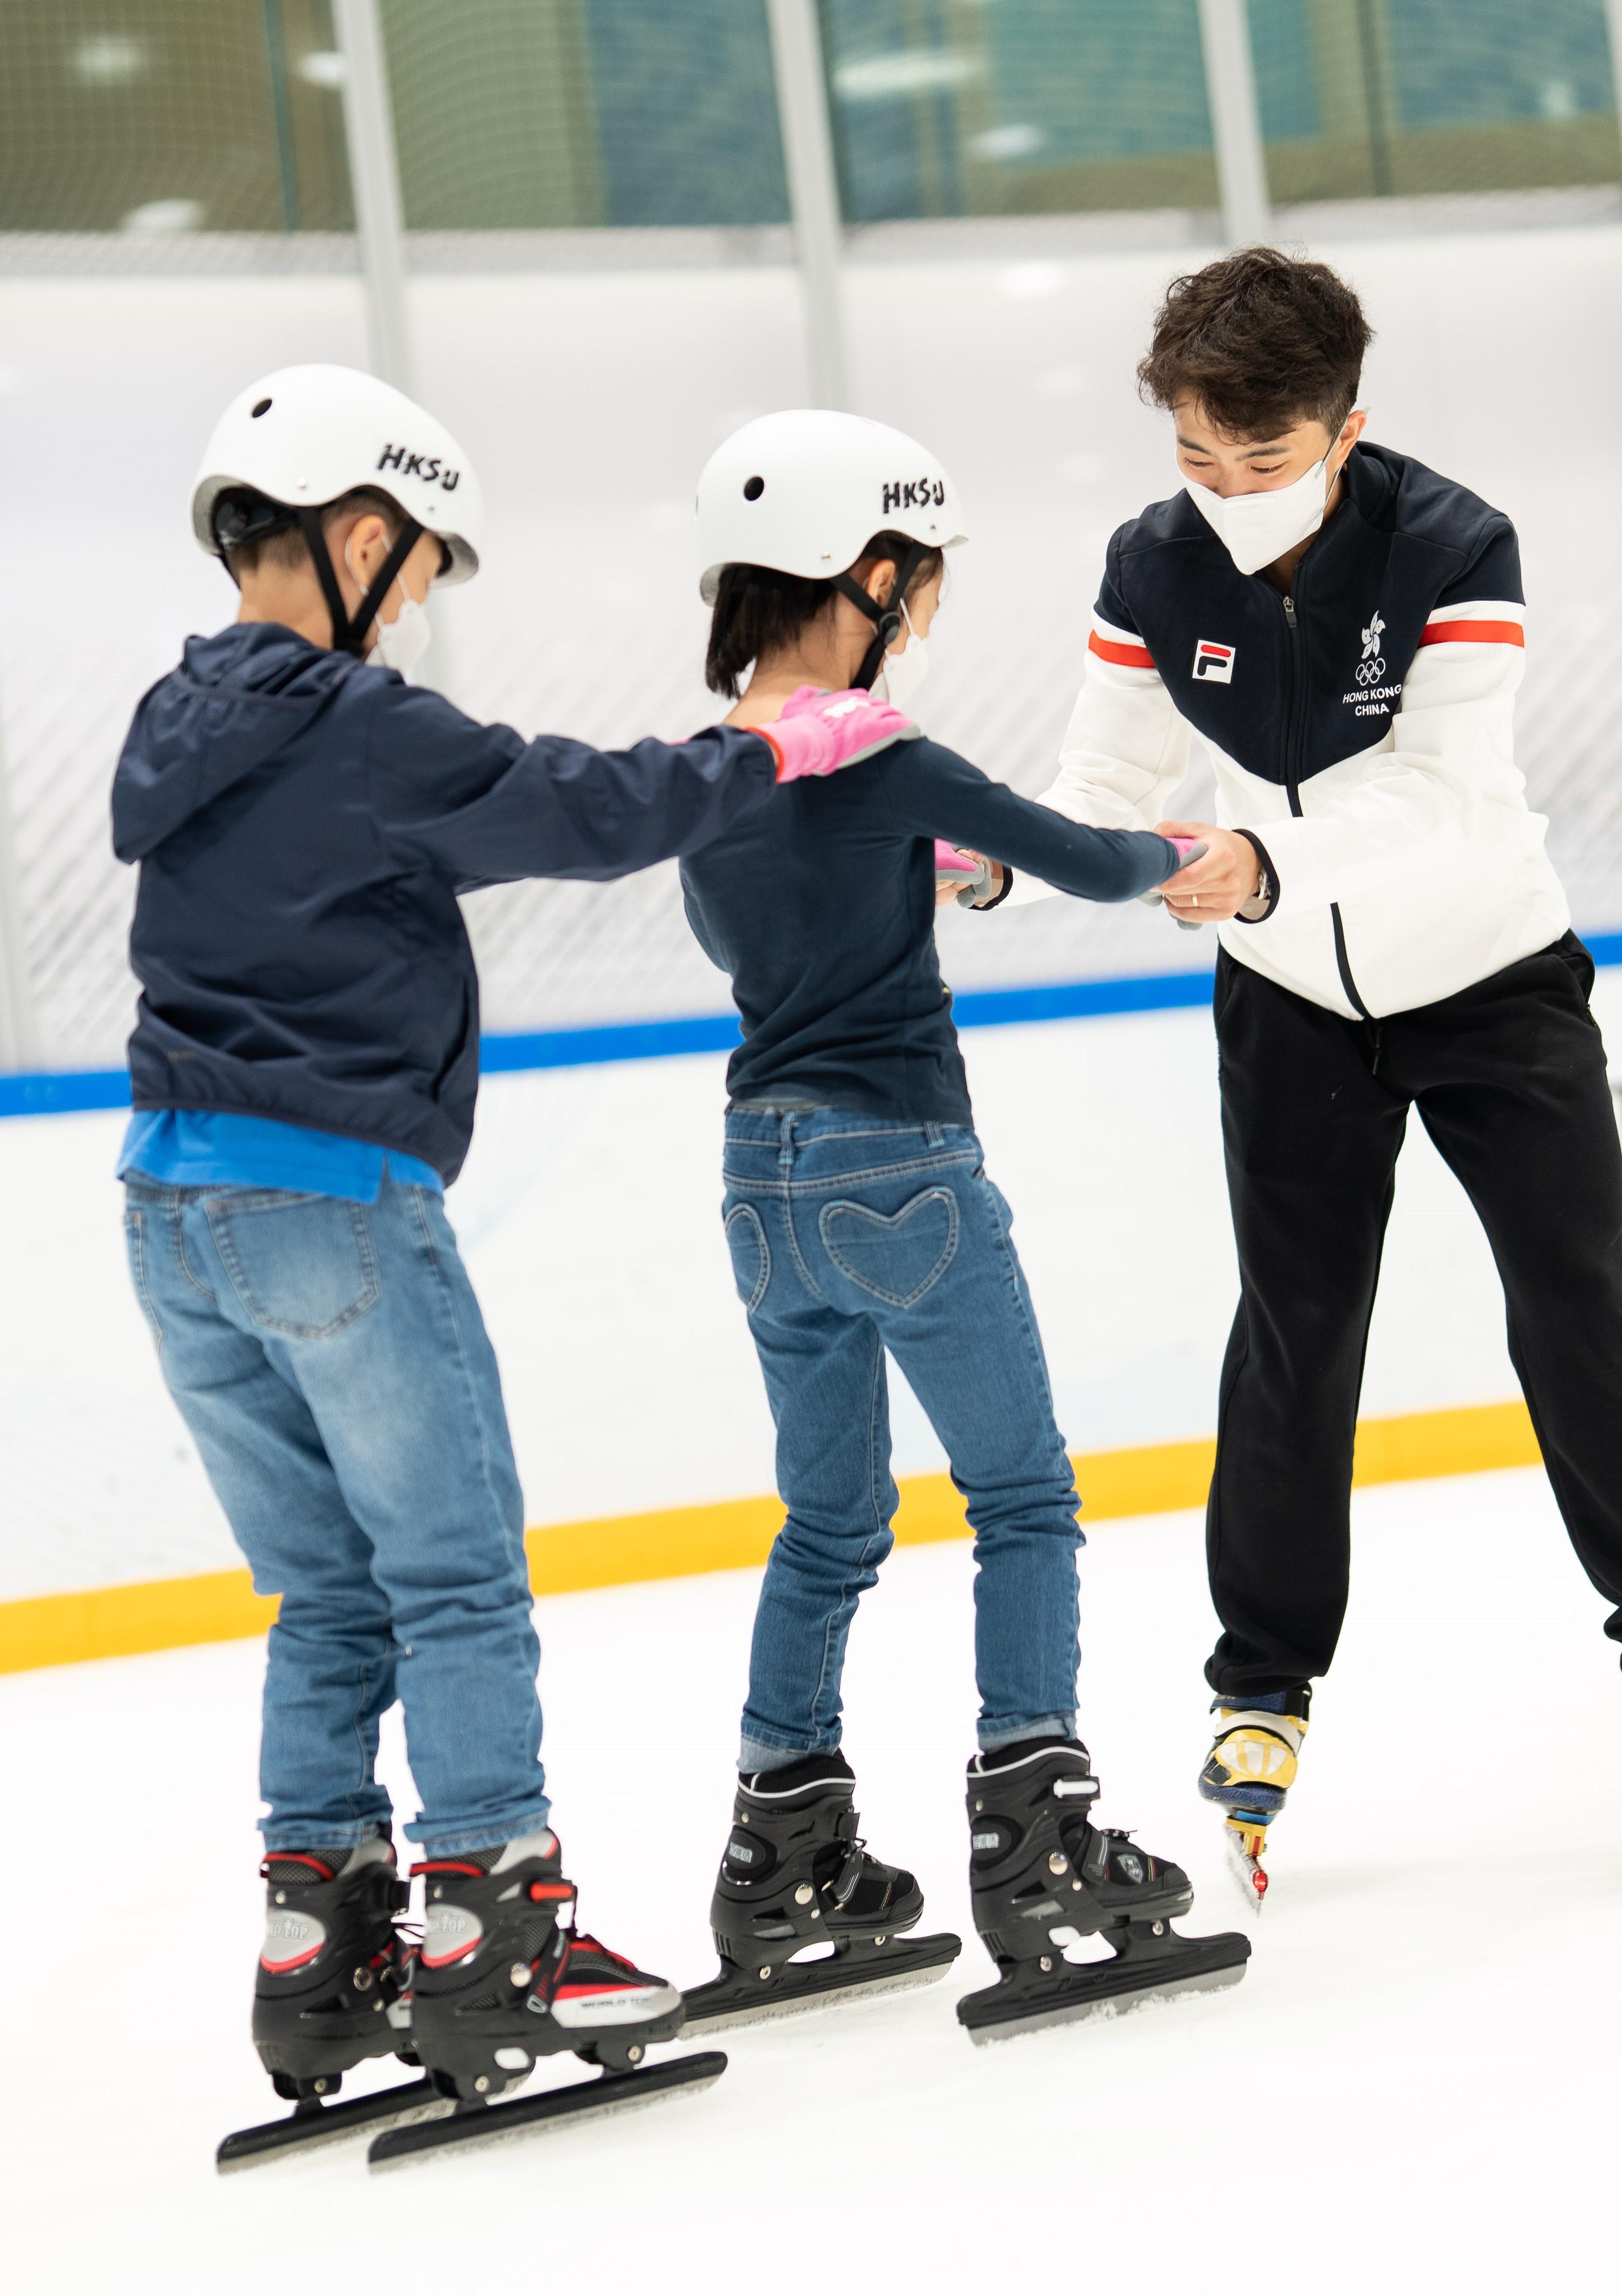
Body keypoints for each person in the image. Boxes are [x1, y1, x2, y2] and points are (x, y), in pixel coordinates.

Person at [120, 365, 922, 2160]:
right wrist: (770, 746)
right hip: (327, 1194)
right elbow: (577, 807)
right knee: (457, 1579)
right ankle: (497, 1928)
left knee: (328, 1595)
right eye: (409, 563)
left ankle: (318, 1943)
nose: (413, 600)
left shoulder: (183, 712)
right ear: (351, 529)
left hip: (168, 1212)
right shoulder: (351, 720)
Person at [967, 250, 1622, 1904]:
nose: (1224, 498)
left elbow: (1450, 795)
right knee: (1294, 1329)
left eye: (1259, 466)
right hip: (1285, 1000)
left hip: (1489, 974)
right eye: (1195, 461)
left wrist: (1261, 857)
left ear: (1346, 429)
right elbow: (1107, 770)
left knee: (1574, 1303)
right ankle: (1260, 1679)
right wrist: (996, 858)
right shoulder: (1150, 560)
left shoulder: (1453, 545)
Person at [672, 410, 1253, 2043]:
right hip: (901, 1173)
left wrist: (924, 876)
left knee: (828, 1526)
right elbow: (1077, 859)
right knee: (1022, 1501)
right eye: (915, 578)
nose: (923, 607)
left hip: (759, 1178)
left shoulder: (707, 776)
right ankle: (1037, 1835)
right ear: (868, 572)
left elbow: (795, 911)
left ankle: (779, 1853)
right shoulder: (885, 752)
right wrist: (1187, 848)